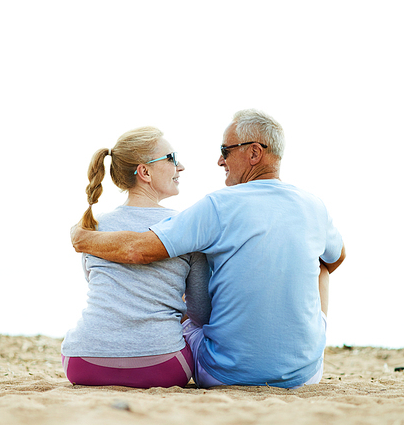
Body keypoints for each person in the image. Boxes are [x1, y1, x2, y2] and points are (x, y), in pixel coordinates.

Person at [71, 110, 345, 389]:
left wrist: (83, 239)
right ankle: (298, 349)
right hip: (305, 374)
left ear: (254, 153)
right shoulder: (314, 206)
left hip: (224, 374)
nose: (219, 160)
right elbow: (335, 259)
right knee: (320, 267)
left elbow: (138, 250)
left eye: (225, 150)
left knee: (191, 321)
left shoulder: (217, 205)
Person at [62, 126, 211, 388]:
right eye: (171, 158)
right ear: (144, 172)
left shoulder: (93, 226)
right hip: (162, 367)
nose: (181, 166)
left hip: (83, 362)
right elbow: (200, 312)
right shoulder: (186, 225)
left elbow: (98, 284)